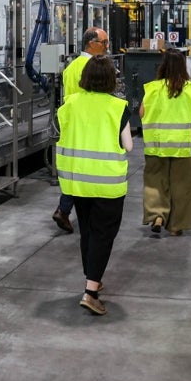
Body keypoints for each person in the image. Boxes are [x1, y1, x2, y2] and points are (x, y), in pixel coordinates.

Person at [55, 55, 133, 316]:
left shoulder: (70, 103)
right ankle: (90, 292)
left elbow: (62, 131)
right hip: (107, 182)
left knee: (87, 231)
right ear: (112, 79)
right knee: (103, 234)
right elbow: (129, 146)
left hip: (77, 180)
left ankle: (93, 278)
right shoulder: (117, 106)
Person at [52, 27, 110, 233]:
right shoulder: (93, 67)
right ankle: (66, 209)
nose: (106, 47)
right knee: (85, 172)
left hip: (71, 125)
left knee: (74, 169)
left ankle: (64, 209)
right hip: (89, 127)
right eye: (104, 43)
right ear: (91, 44)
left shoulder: (72, 66)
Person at [139, 48, 191, 236]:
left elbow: (141, 113)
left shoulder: (153, 88)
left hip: (155, 145)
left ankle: (157, 215)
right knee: (182, 186)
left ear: (163, 66)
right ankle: (175, 226)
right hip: (183, 146)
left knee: (155, 182)